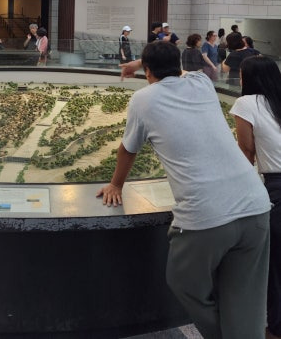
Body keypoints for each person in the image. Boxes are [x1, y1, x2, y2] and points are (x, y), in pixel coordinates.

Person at [98, 41, 271, 339]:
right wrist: (143, 64)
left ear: (148, 71)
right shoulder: (202, 83)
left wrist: (116, 184)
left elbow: (128, 149)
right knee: (245, 297)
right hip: (256, 205)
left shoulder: (142, 99)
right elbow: (179, 70)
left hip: (206, 216)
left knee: (183, 282)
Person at [230, 56, 281, 339]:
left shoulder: (246, 104)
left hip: (277, 187)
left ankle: (276, 329)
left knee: (275, 266)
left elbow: (246, 152)